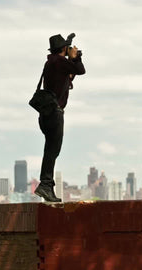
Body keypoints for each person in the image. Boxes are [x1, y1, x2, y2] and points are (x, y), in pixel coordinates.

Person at [35, 33, 85, 202]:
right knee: (52, 151)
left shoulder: (51, 62)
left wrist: (71, 59)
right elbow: (80, 70)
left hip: (46, 114)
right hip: (54, 113)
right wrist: (75, 58)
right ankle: (45, 185)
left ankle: (46, 186)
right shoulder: (58, 61)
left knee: (50, 150)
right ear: (63, 49)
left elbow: (68, 76)